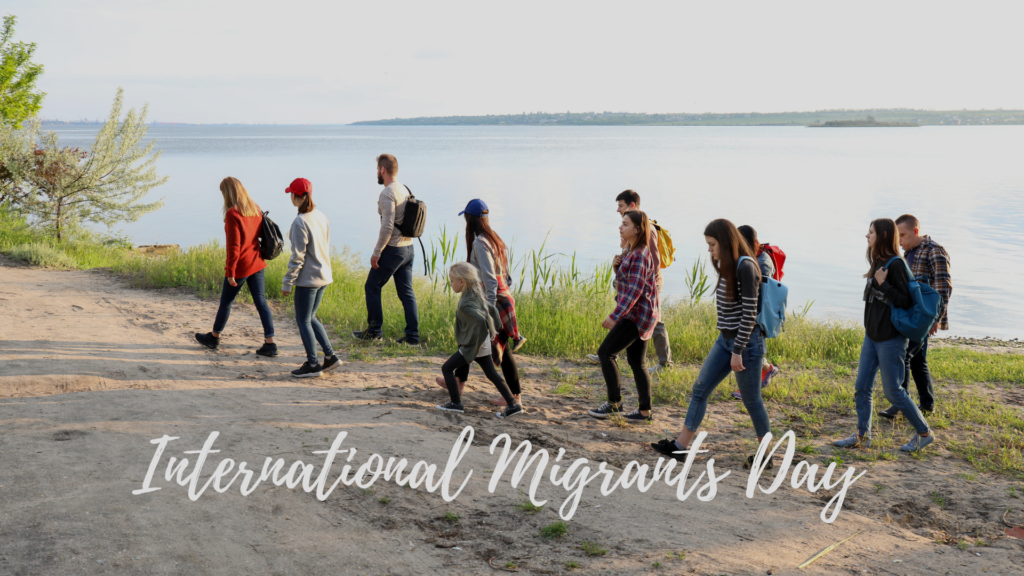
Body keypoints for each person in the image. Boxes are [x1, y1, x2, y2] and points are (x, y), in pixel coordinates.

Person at [651, 219, 770, 468]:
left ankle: (766, 455)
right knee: (700, 389)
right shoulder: (729, 265)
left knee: (752, 401)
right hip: (724, 340)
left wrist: (737, 350)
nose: (709, 250)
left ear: (726, 243)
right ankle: (680, 447)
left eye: (712, 244)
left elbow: (749, 313)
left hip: (745, 345)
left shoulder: (746, 266)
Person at [834, 218, 935, 452]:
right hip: (872, 336)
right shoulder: (878, 260)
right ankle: (862, 436)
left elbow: (906, 301)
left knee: (893, 392)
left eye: (871, 232)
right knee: (862, 387)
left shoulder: (897, 264)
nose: (867, 236)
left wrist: (883, 285)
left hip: (890, 339)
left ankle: (924, 433)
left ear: (883, 235)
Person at [433, 199, 526, 407]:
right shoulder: (495, 239)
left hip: (492, 299)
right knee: (470, 338)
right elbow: (505, 275)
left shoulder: (480, 243)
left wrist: (488, 308)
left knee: (499, 348)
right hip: (503, 295)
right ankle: (459, 383)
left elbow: (490, 279)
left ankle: (514, 396)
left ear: (470, 219)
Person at [587, 210, 660, 423]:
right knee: (637, 362)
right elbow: (627, 283)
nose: (620, 227)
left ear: (637, 229)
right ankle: (644, 412)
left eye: (625, 224)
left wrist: (615, 316)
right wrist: (617, 268)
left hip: (636, 316)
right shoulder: (631, 250)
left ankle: (615, 404)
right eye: (621, 223)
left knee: (606, 353)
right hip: (642, 314)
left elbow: (634, 291)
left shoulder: (638, 254)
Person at [587, 190, 671, 373]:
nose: (618, 210)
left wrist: (651, 284)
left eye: (621, 206)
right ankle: (611, 353)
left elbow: (654, 259)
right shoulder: (630, 227)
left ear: (632, 205)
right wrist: (620, 264)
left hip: (649, 281)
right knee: (624, 312)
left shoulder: (643, 227)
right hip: (635, 279)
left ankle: (665, 363)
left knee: (655, 320)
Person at [878, 214, 951, 418]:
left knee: (904, 356)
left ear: (915, 231)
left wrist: (935, 318)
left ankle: (901, 403)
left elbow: (943, 287)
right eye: (897, 236)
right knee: (918, 359)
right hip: (910, 315)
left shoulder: (934, 250)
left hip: (924, 316)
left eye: (902, 235)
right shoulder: (907, 252)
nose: (899, 240)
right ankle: (926, 404)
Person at [194, 177, 277, 357]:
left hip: (242, 265)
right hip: (257, 262)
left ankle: (214, 338)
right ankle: (270, 343)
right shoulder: (255, 208)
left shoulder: (233, 214)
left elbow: (234, 247)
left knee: (226, 302)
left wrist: (230, 272)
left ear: (228, 193)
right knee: (261, 302)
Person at [435, 262, 523, 419]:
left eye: (452, 280)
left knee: (447, 368)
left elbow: (479, 318)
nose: (451, 283)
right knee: (491, 374)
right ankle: (513, 405)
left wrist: (478, 337)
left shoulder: (466, 303)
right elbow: (492, 308)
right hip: (483, 343)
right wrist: (496, 325)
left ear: (462, 281)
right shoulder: (474, 295)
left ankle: (456, 403)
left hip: (474, 345)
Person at [353, 154, 419, 344]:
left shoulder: (388, 193)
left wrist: (376, 252)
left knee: (372, 286)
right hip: (409, 248)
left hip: (394, 249)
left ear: (383, 170)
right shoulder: (405, 189)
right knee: (407, 293)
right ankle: (412, 337)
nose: (377, 173)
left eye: (377, 170)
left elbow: (387, 227)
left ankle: (374, 332)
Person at [281, 178, 342, 378]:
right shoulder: (319, 215)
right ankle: (330, 357)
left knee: (303, 320)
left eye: (291, 193)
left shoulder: (300, 221)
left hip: (309, 280)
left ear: (296, 197)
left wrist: (288, 282)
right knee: (311, 317)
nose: (290, 197)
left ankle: (313, 364)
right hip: (324, 275)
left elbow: (298, 257)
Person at [731, 225, 781, 400]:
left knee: (749, 350)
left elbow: (762, 294)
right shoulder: (750, 257)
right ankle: (768, 369)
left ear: (753, 243)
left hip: (760, 313)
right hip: (750, 311)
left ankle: (749, 389)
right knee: (751, 350)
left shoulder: (763, 263)